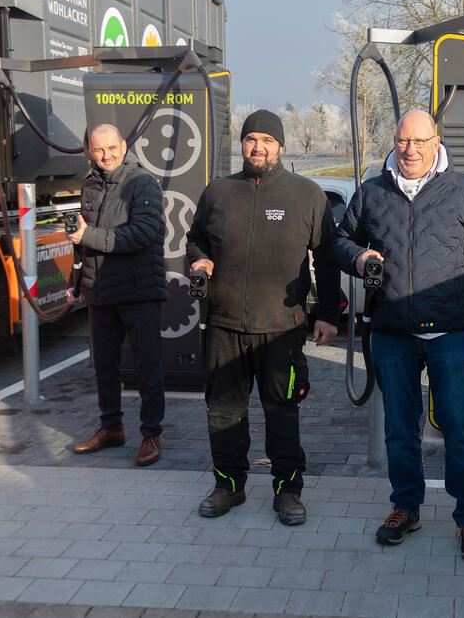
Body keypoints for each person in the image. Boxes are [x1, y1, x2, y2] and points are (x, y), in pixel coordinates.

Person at [334, 109, 464, 561]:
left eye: (419, 142)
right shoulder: (372, 192)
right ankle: (405, 507)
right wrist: (356, 256)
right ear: (394, 140)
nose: (409, 150)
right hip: (393, 332)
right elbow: (339, 240)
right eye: (402, 141)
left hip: (452, 334)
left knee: (461, 428)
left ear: (436, 142)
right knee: (399, 428)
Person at [186, 109, 340, 526]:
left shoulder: (307, 195)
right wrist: (199, 261)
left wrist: (328, 313)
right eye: (251, 139)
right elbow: (195, 239)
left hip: (281, 331)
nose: (259, 147)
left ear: (281, 146)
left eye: (267, 140)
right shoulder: (217, 192)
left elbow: (326, 260)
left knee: (282, 413)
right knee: (223, 412)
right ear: (242, 145)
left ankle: (288, 490)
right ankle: (228, 486)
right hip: (223, 326)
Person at [67, 123, 168, 467]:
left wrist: (90, 237)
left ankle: (151, 434)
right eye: (99, 150)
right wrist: (76, 282)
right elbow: (80, 240)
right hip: (101, 292)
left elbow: (143, 233)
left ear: (124, 147)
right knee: (105, 367)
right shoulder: (91, 185)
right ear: (89, 152)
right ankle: (111, 428)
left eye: (111, 148)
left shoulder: (143, 184)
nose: (106, 155)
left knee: (147, 366)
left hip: (139, 290)